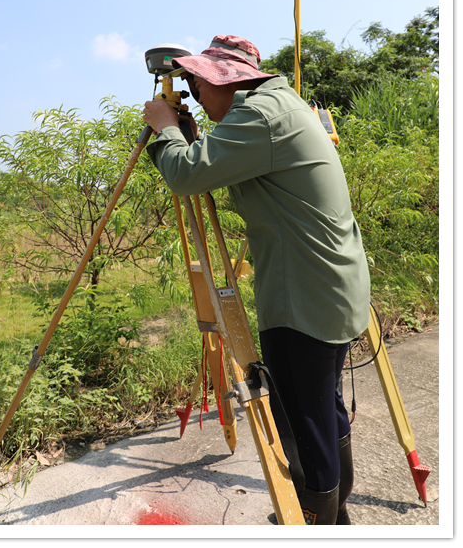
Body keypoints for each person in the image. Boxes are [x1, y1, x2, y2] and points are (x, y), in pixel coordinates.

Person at [141, 35, 370, 525]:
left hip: (303, 297)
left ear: (227, 80)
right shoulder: (279, 107)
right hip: (333, 286)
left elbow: (184, 175)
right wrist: (188, 133)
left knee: (305, 420)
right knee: (322, 405)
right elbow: (218, 165)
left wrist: (163, 128)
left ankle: (315, 517)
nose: (194, 95)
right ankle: (336, 510)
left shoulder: (259, 116)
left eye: (196, 84)